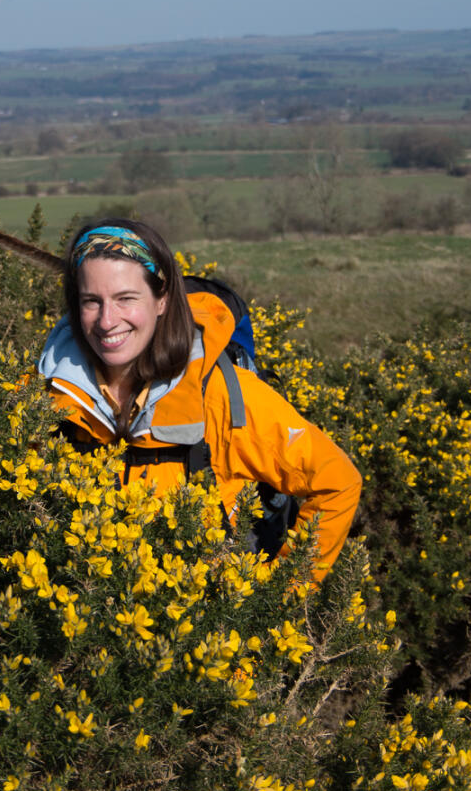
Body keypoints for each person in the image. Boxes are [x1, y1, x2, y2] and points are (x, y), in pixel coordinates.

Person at [37, 219, 361, 583]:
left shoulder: (217, 393)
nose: (108, 320)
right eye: (91, 302)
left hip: (205, 623)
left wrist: (281, 597)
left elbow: (338, 481)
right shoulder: (48, 393)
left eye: (126, 299)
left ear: (162, 301)